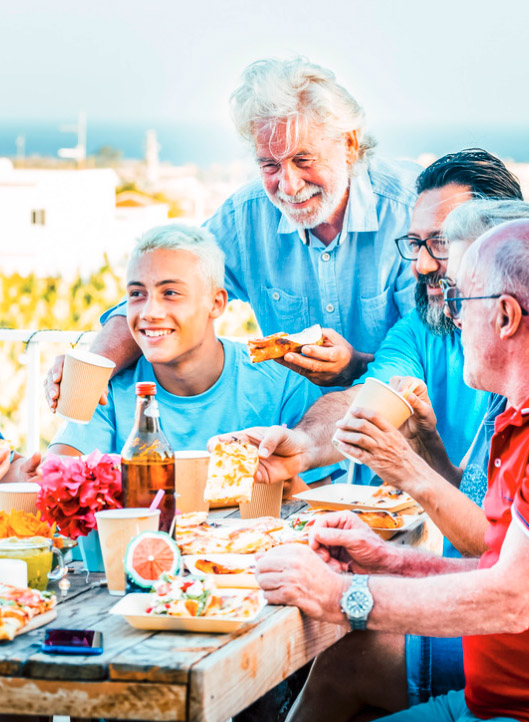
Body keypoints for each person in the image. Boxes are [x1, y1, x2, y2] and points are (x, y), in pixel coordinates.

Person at [256, 218, 529, 722]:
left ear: (506, 316)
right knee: (345, 661)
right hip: (490, 690)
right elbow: (502, 567)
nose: (451, 316)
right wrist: (386, 559)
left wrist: (340, 597)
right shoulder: (515, 416)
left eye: (461, 302)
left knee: (347, 650)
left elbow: (512, 599)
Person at [44, 56, 421, 408]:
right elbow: (167, 290)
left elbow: (424, 352)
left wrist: (355, 366)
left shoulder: (411, 212)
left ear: (349, 145)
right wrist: (95, 362)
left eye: (302, 160)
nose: (288, 185)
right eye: (270, 165)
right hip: (300, 445)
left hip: (410, 438)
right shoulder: (246, 216)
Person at [48, 223, 335, 487]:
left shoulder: (283, 384)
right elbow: (60, 481)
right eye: (137, 294)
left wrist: (281, 486)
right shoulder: (107, 387)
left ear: (216, 303)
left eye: (171, 292)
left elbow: (316, 507)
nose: (149, 312)